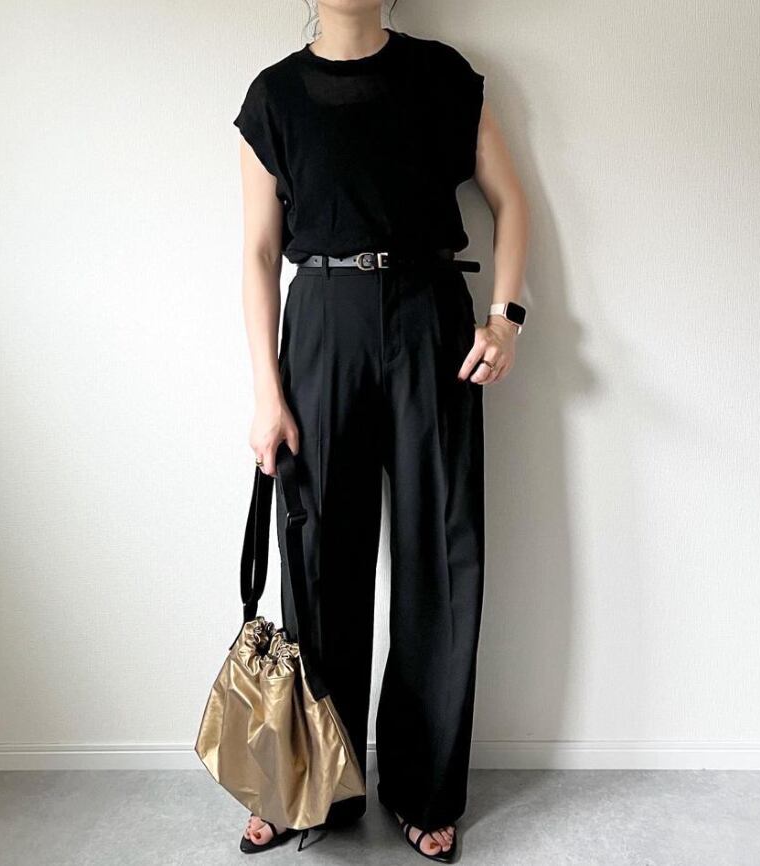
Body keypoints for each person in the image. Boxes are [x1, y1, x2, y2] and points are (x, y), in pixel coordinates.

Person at [234, 1, 528, 860]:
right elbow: (258, 252)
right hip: (322, 321)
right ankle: (311, 782)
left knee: (442, 549)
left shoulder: (443, 76)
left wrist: (505, 318)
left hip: (430, 316)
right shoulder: (274, 96)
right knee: (318, 557)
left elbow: (510, 201)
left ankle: (423, 785)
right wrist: (266, 391)